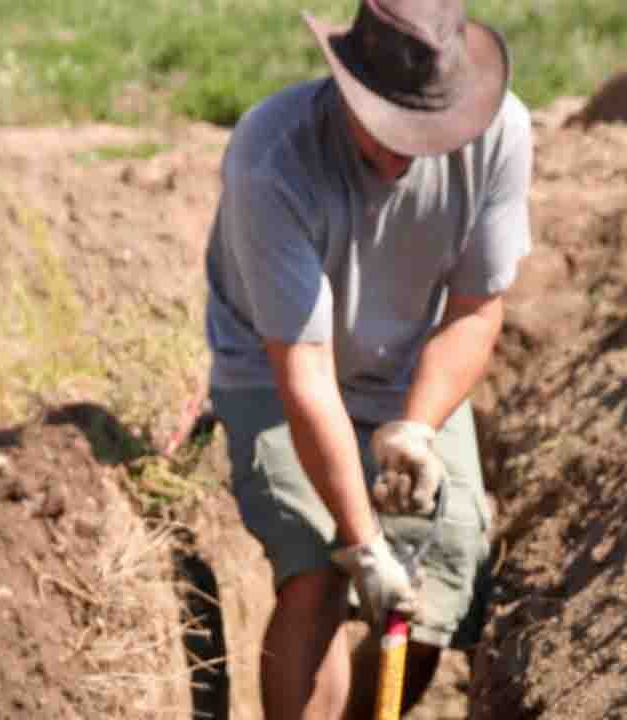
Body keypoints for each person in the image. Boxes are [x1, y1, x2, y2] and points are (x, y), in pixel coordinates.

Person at [202, 0, 533, 716]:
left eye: (426, 133)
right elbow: (304, 370)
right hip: (275, 373)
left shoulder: (501, 134)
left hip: (407, 368)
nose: (401, 154)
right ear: (347, 86)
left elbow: (475, 309)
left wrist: (416, 428)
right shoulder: (272, 159)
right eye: (386, 128)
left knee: (441, 576)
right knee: (317, 565)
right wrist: (362, 544)